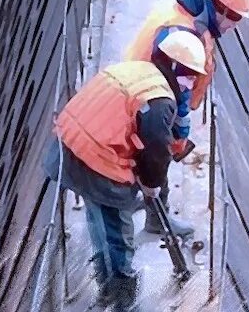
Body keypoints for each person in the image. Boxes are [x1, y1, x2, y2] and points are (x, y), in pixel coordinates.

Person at [44, 30, 207, 311]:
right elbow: (156, 149)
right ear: (175, 68)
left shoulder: (133, 69)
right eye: (189, 75)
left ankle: (105, 278)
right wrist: (151, 184)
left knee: (98, 215)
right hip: (98, 162)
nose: (190, 83)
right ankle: (122, 295)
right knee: (119, 229)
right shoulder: (160, 100)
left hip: (66, 149)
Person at [121, 0, 249, 237]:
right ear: (223, 10)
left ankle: (139, 196)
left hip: (136, 78)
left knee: (143, 154)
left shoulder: (182, 5)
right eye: (236, 18)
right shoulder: (186, 34)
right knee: (157, 153)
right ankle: (156, 219)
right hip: (148, 94)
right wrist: (180, 134)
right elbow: (180, 89)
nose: (234, 26)